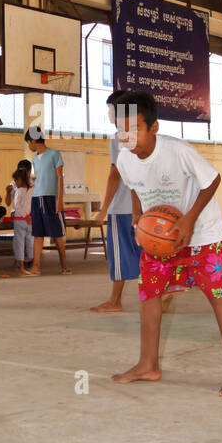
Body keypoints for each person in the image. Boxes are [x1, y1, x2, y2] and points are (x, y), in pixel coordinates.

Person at [109, 89, 222, 397]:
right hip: (160, 239)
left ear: (153, 128)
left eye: (134, 129)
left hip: (201, 236)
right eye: (121, 131)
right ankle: (148, 365)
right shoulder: (124, 158)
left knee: (218, 296)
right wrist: (137, 215)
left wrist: (189, 220)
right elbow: (133, 186)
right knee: (150, 296)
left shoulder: (177, 150)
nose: (127, 138)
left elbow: (212, 180)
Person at [91, 93, 142, 311]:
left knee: (119, 255)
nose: (108, 113)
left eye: (110, 109)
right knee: (146, 251)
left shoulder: (119, 137)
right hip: (143, 207)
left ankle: (115, 301)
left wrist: (103, 209)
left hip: (122, 208)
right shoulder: (143, 134)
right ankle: (161, 291)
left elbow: (115, 174)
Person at [25, 127, 70, 275]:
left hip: (51, 198)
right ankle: (36, 267)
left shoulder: (54, 154)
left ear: (32, 141)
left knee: (56, 234)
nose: (29, 146)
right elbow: (37, 179)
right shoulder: (34, 159)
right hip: (37, 198)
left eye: (28, 143)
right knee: (38, 234)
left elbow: (59, 177)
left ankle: (64, 265)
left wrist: (60, 199)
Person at [10, 168, 34, 276]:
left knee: (19, 242)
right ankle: (32, 262)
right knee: (30, 241)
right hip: (30, 220)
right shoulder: (32, 189)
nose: (15, 182)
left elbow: (17, 206)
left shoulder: (18, 191)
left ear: (20, 179)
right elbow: (34, 204)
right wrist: (30, 216)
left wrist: (25, 216)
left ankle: (21, 266)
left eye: (16, 180)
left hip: (20, 220)